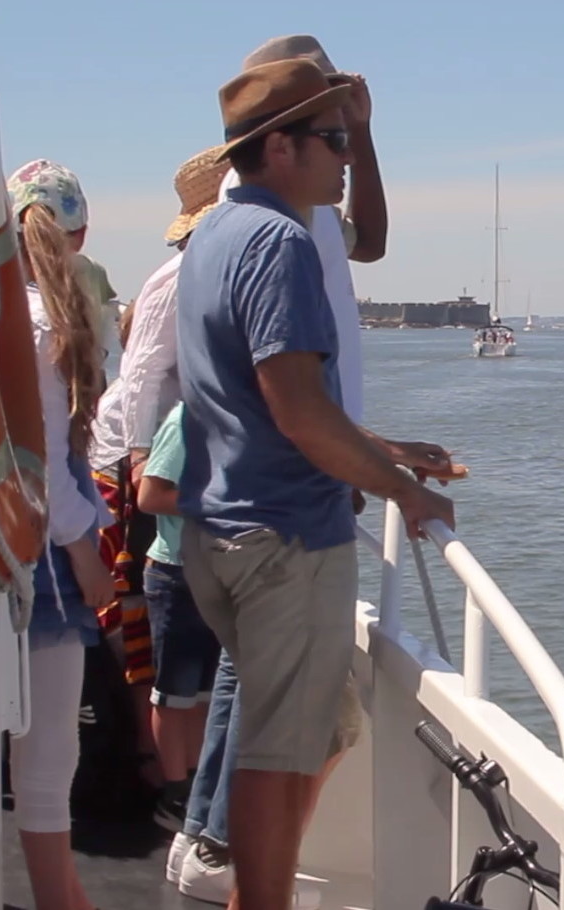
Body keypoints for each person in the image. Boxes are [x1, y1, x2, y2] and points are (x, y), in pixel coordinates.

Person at [176, 58, 455, 910]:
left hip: (218, 535)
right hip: (284, 542)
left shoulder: (211, 240)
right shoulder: (279, 245)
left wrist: (379, 453)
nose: (343, 161)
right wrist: (403, 490)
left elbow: (259, 405)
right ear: (281, 147)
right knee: (276, 752)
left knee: (277, 736)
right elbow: (297, 412)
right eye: (334, 142)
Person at [98, 145, 234, 793]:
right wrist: (143, 464)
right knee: (148, 632)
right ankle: (156, 773)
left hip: (189, 464)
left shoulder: (210, 274)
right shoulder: (178, 277)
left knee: (188, 663)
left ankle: (175, 772)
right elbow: (143, 373)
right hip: (161, 463)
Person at [7, 159, 117, 910]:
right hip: (45, 558)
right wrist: (86, 553)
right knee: (49, 748)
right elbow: (42, 464)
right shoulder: (50, 320)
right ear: (79, 234)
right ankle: (59, 897)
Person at [136, 402, 220, 831]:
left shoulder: (240, 414)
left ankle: (195, 787)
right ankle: (174, 792)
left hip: (216, 574)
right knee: (173, 693)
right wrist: (222, 505)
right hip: (175, 573)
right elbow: (150, 495)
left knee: (206, 693)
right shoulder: (186, 417)